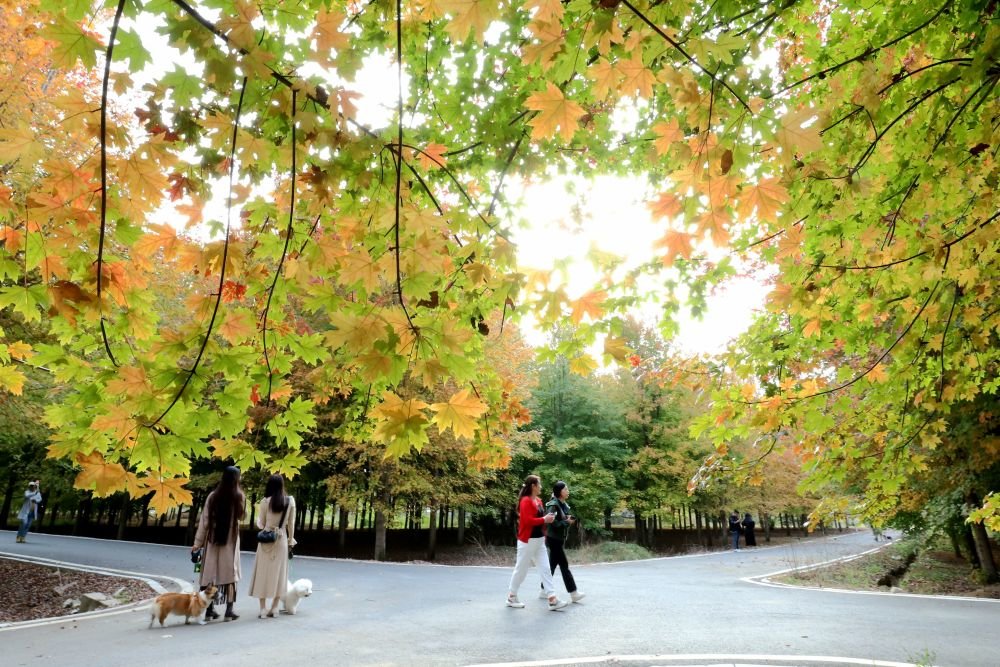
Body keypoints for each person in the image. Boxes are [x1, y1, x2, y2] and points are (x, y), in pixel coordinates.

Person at [506, 474, 568, 611]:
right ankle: (511, 597)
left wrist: (549, 519)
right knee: (521, 570)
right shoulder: (525, 501)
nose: (541, 487)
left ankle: (552, 599)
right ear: (533, 486)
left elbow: (542, 519)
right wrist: (544, 519)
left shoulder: (538, 501)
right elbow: (527, 521)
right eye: (539, 484)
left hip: (539, 541)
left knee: (546, 569)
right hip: (527, 541)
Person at [192, 465, 246, 621]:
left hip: (212, 539)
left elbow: (205, 521)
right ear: (236, 479)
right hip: (231, 539)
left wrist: (198, 543)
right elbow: (242, 517)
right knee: (230, 573)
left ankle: (209, 610)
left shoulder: (212, 496)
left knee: (210, 573)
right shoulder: (239, 496)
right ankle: (229, 610)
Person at [248, 473, 297, 618]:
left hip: (266, 540)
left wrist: (263, 525)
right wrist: (290, 541)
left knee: (262, 574)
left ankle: (263, 609)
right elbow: (291, 524)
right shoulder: (290, 501)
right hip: (281, 540)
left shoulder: (264, 502)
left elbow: (261, 523)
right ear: (282, 485)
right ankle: (275, 608)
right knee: (280, 575)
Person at [540, 481, 584, 603]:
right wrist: (566, 522)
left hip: (558, 539)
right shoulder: (553, 505)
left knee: (552, 565)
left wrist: (568, 520)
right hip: (553, 539)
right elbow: (553, 523)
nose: (568, 491)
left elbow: (562, 519)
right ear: (559, 491)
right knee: (564, 566)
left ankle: (544, 590)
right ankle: (573, 593)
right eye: (566, 489)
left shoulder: (562, 504)